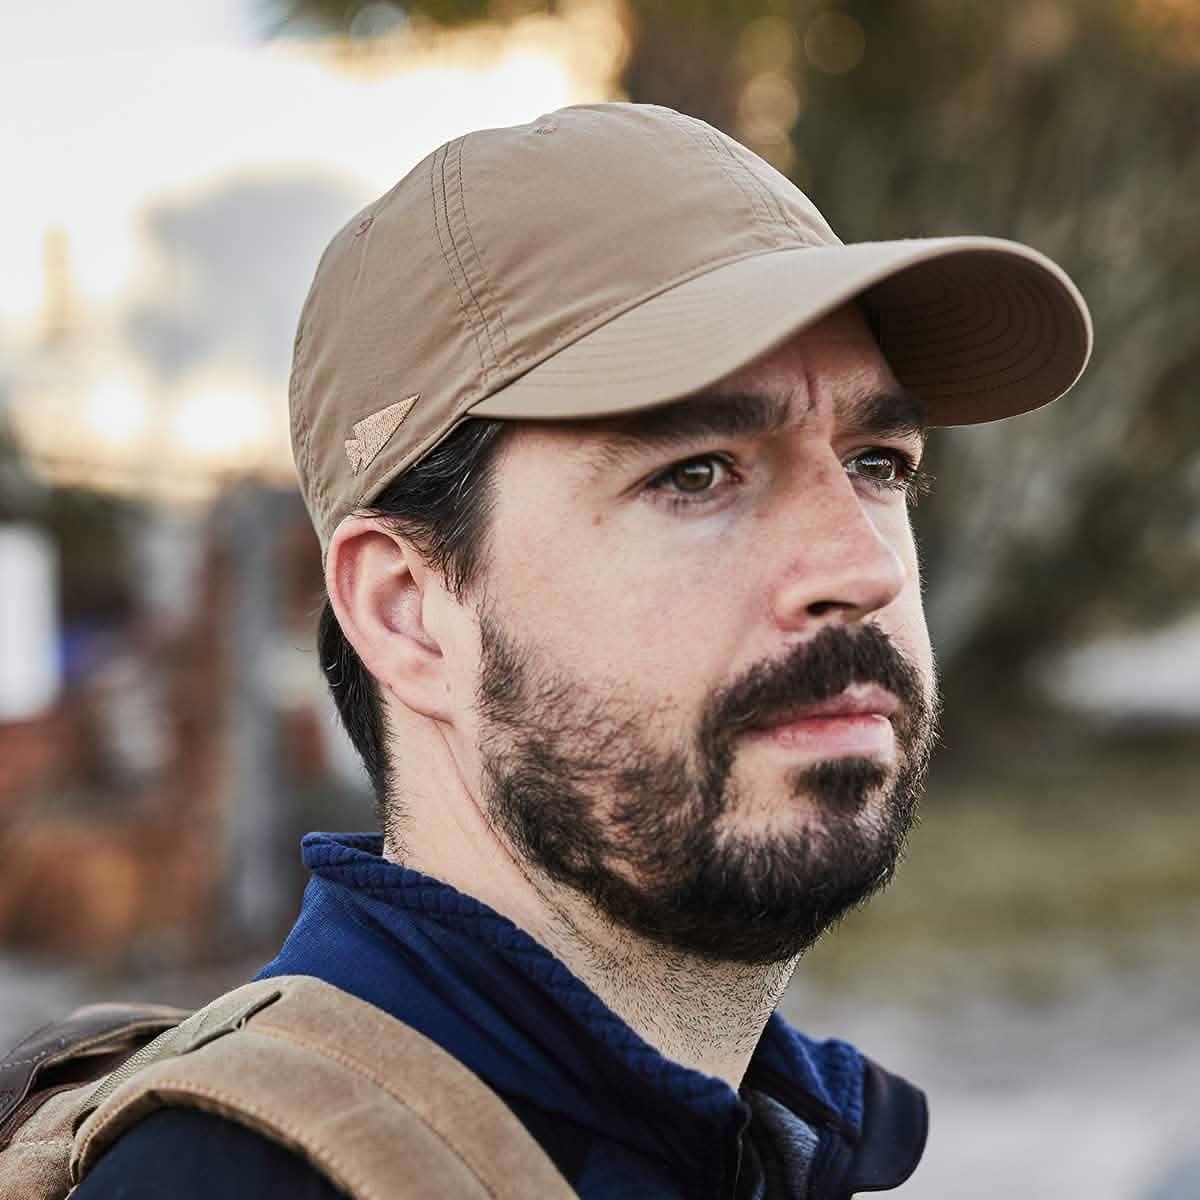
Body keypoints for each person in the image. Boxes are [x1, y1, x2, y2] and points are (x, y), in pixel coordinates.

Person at [74, 102, 1091, 1198]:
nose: (863, 566)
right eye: (695, 472)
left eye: (878, 462)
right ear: (410, 608)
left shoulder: (762, 1143)